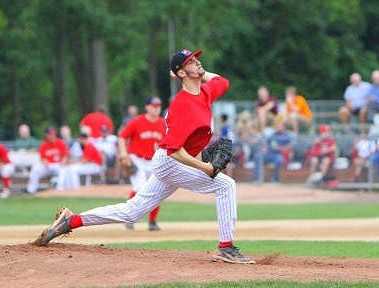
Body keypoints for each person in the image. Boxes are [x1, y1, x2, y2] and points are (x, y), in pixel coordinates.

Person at [34, 48, 256, 265]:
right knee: (225, 185)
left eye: (196, 59)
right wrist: (204, 167)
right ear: (180, 73)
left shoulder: (206, 93)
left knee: (132, 212)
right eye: (190, 61)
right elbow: (174, 150)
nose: (197, 62)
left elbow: (222, 81)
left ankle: (71, 221)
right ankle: (225, 247)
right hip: (170, 162)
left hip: (170, 162)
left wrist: (197, 72)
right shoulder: (181, 105)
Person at [118, 96, 166, 231]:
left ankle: (152, 222)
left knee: (157, 191)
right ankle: (129, 218)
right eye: (153, 106)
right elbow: (122, 136)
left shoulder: (163, 124)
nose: (156, 108)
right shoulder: (137, 122)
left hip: (154, 161)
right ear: (146, 107)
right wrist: (123, 153)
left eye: (158, 106)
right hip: (137, 159)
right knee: (139, 188)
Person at [26, 127, 69, 194]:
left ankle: (59, 189)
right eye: (50, 134)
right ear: (46, 135)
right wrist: (45, 163)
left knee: (63, 169)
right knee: (36, 168)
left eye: (53, 134)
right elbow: (42, 157)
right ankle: (31, 190)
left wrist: (63, 162)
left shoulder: (60, 142)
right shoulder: (44, 144)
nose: (52, 136)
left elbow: (65, 156)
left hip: (58, 165)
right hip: (47, 165)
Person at [252, 116, 292, 183]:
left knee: (279, 160)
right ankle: (257, 178)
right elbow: (266, 144)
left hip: (279, 154)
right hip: (269, 153)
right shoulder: (272, 135)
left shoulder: (287, 136)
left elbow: (289, 147)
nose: (279, 127)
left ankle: (275, 179)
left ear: (283, 127)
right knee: (257, 156)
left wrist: (279, 148)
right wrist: (264, 149)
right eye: (277, 126)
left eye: (280, 126)